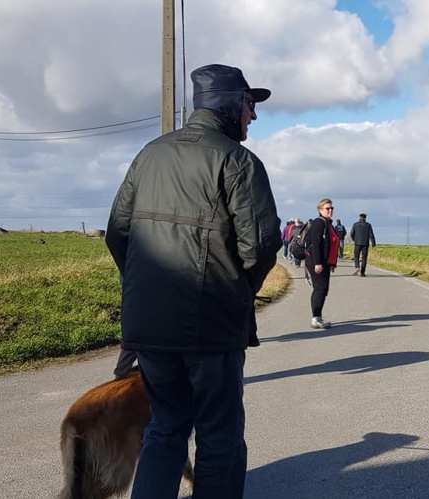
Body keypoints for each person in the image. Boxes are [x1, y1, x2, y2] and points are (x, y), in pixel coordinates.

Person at [106, 63, 280, 498]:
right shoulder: (238, 161)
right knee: (219, 435)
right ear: (231, 104)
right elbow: (260, 247)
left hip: (149, 324)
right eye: (249, 104)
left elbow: (118, 234)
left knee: (165, 428)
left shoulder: (149, 154)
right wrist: (238, 292)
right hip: (211, 327)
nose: (253, 115)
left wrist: (147, 290)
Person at [305, 198, 341, 329]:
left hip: (325, 262)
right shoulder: (319, 223)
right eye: (327, 208)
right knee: (320, 289)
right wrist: (318, 263)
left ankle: (318, 317)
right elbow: (316, 244)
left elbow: (331, 244)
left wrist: (331, 263)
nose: (330, 210)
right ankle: (315, 318)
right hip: (316, 261)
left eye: (332, 208)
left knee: (323, 289)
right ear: (320, 210)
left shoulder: (328, 223)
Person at [350, 213, 376, 277]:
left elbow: (352, 233)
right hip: (365, 244)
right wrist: (373, 243)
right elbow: (371, 234)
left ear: (359, 217)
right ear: (365, 218)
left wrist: (354, 239)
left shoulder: (355, 224)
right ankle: (362, 273)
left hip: (357, 243)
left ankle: (357, 266)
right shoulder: (368, 225)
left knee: (356, 256)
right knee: (364, 258)